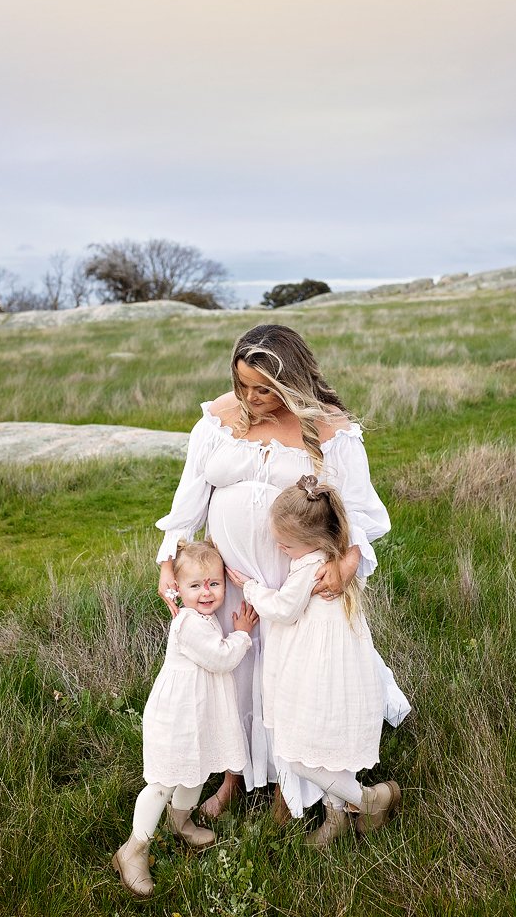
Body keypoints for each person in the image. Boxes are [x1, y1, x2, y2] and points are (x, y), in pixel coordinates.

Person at [156, 323, 410, 819]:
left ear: (292, 381)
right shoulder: (216, 422)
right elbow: (186, 507)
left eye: (265, 390)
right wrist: (169, 563)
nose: (251, 398)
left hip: (294, 588)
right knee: (233, 676)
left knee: (289, 684)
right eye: (242, 384)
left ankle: (286, 786)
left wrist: (346, 565)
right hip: (230, 582)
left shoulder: (329, 430)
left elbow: (356, 517)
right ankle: (232, 776)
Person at [227, 475, 401, 847]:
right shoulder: (330, 558)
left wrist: (250, 588)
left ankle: (370, 800)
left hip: (316, 668)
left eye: (285, 544)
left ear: (312, 542)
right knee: (324, 749)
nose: (278, 547)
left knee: (300, 754)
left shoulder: (310, 567)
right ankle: (336, 817)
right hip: (327, 664)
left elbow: (284, 609)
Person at [112, 540, 259, 898]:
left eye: (214, 583)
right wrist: (241, 633)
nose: (206, 592)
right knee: (164, 781)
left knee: (196, 771)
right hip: (176, 718)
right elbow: (221, 659)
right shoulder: (189, 625)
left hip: (198, 716)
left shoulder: (203, 618)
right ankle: (133, 849)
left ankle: (180, 822)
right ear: (179, 589)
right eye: (195, 585)